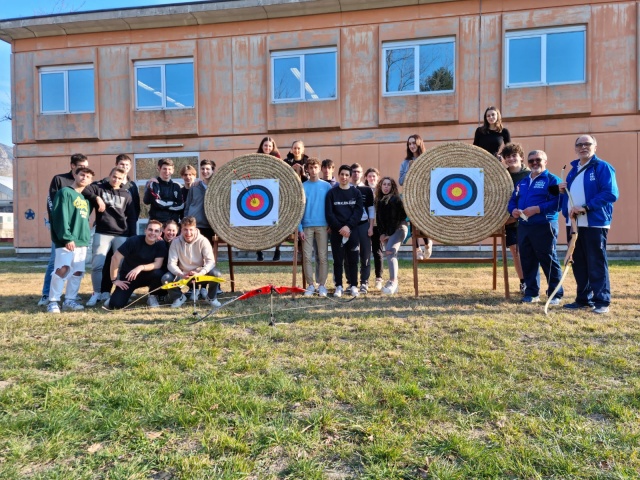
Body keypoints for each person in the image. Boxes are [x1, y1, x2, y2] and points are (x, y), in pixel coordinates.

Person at [560, 134, 619, 314]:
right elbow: (569, 196)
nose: (583, 147)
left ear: (595, 147)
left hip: (594, 223)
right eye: (580, 144)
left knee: (596, 261)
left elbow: (610, 193)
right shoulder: (572, 169)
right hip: (575, 224)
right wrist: (565, 203)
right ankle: (583, 298)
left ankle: (602, 300)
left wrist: (586, 207)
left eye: (588, 144)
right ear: (575, 148)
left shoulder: (602, 167)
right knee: (578, 261)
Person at [508, 150, 563, 304]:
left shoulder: (552, 180)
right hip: (524, 226)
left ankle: (555, 294)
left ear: (545, 161)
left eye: (538, 160)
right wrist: (513, 210)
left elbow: (558, 202)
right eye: (531, 161)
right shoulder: (523, 182)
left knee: (548, 259)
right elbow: (513, 200)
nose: (534, 163)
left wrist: (537, 209)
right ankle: (532, 293)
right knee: (527, 259)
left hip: (544, 225)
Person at [38, 153, 89, 306]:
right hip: (62, 233)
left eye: (86, 167)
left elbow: (88, 203)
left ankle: (70, 297)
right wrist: (61, 231)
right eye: (81, 167)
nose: (84, 171)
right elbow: (54, 205)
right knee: (56, 264)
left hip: (79, 236)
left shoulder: (84, 183)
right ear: (73, 166)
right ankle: (48, 295)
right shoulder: (60, 180)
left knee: (77, 268)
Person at [82, 167, 135, 307]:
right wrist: (97, 198)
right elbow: (85, 189)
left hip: (121, 234)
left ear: (123, 179)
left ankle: (119, 293)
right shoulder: (99, 188)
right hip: (102, 232)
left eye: (119, 178)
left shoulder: (127, 194)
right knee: (97, 265)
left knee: (121, 266)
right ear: (109, 175)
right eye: (114, 177)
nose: (116, 180)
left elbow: (132, 217)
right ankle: (96, 293)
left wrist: (132, 237)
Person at [46, 167, 94, 313]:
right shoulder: (65, 193)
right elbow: (60, 216)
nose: (84, 178)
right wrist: (67, 237)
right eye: (82, 175)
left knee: (78, 271)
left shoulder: (84, 199)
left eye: (88, 176)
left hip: (82, 240)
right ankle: (53, 301)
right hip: (67, 240)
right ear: (75, 175)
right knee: (63, 269)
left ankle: (70, 300)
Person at [98, 154, 141, 300]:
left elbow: (135, 208)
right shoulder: (105, 182)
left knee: (123, 261)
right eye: (122, 165)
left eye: (127, 165)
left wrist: (132, 231)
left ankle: (123, 290)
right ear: (116, 164)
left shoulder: (132, 186)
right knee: (107, 260)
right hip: (106, 229)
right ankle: (104, 290)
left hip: (124, 230)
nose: (124, 167)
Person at [106, 220, 168, 310]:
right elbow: (115, 258)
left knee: (159, 273)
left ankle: (152, 297)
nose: (152, 233)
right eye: (150, 230)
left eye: (156, 231)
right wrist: (114, 280)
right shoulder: (133, 241)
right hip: (129, 277)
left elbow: (158, 264)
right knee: (115, 305)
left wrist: (140, 267)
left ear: (160, 234)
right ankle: (120, 297)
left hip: (147, 276)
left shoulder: (160, 245)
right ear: (145, 230)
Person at [325, 165, 363, 298]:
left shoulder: (356, 193)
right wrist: (340, 228)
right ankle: (339, 286)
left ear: (350, 176)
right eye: (342, 174)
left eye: (347, 175)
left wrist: (348, 227)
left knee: (353, 260)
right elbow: (329, 214)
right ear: (339, 175)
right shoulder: (331, 193)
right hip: (337, 232)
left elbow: (358, 213)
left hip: (352, 232)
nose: (344, 177)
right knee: (338, 260)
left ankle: (353, 285)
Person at [167, 216, 221, 308]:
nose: (188, 233)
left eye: (191, 230)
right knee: (166, 278)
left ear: (195, 229)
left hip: (200, 274)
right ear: (181, 229)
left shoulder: (203, 241)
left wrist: (201, 272)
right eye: (185, 230)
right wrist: (181, 274)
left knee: (216, 274)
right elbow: (171, 264)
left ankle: (211, 297)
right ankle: (179, 297)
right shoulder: (175, 242)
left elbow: (211, 262)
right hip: (183, 274)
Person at [298, 157, 332, 297]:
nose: (313, 170)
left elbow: (330, 207)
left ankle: (322, 285)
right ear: (307, 169)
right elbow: (299, 208)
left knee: (322, 256)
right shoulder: (303, 186)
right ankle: (311, 285)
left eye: (315, 167)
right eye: (310, 168)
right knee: (306, 256)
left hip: (323, 226)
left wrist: (330, 223)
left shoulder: (326, 186)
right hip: (306, 226)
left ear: (320, 169)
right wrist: (299, 228)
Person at [501, 143, 531, 295]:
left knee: (529, 251)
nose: (511, 159)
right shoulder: (502, 175)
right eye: (508, 157)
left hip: (528, 219)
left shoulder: (529, 174)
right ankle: (523, 282)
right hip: (510, 220)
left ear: (521, 157)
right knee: (515, 251)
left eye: (514, 156)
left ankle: (533, 282)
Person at [398, 134, 432, 259]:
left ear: (419, 143)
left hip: (423, 196)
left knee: (421, 222)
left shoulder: (426, 159)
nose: (412, 146)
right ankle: (417, 249)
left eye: (414, 143)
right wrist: (409, 169)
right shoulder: (405, 163)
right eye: (409, 144)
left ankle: (427, 243)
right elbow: (401, 181)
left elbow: (431, 178)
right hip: (409, 196)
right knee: (413, 222)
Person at [375, 177, 409, 295]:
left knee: (390, 251)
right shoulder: (379, 200)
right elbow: (379, 220)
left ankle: (392, 282)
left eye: (389, 185)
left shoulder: (395, 200)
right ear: (380, 186)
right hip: (387, 232)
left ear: (392, 187)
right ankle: (395, 284)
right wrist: (382, 233)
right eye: (384, 184)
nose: (386, 187)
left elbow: (395, 219)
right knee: (390, 254)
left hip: (399, 228)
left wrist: (388, 234)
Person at [256, 136, 282, 260]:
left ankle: (277, 250)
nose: (267, 148)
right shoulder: (255, 158)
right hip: (259, 192)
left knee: (275, 223)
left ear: (273, 147)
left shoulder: (277, 159)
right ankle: (258, 250)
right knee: (256, 221)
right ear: (262, 146)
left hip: (273, 192)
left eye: (269, 146)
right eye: (265, 145)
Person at [350, 163, 374, 293]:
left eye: (358, 171)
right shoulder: (345, 188)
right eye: (353, 171)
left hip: (364, 225)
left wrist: (371, 227)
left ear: (362, 173)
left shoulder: (367, 190)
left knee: (365, 255)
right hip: (350, 227)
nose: (355, 174)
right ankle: (351, 283)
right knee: (350, 256)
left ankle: (364, 282)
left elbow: (371, 209)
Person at [143, 158, 183, 223]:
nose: (167, 171)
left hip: (173, 224)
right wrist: (173, 203)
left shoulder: (177, 186)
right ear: (159, 169)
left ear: (173, 171)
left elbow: (181, 205)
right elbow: (157, 202)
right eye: (164, 169)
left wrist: (164, 205)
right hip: (157, 223)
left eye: (169, 169)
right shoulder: (153, 184)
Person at [184, 159, 216, 242]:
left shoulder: (217, 188)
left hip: (210, 226)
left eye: (207, 169)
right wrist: (186, 221)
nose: (205, 171)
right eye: (202, 169)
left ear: (213, 170)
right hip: (194, 225)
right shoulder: (194, 187)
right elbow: (188, 206)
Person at [365, 167, 384, 290]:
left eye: (374, 176)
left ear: (378, 178)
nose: (372, 178)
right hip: (364, 225)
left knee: (377, 252)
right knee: (364, 253)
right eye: (369, 176)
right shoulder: (363, 190)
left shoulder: (382, 191)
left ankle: (379, 278)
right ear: (366, 178)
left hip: (378, 226)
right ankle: (364, 279)